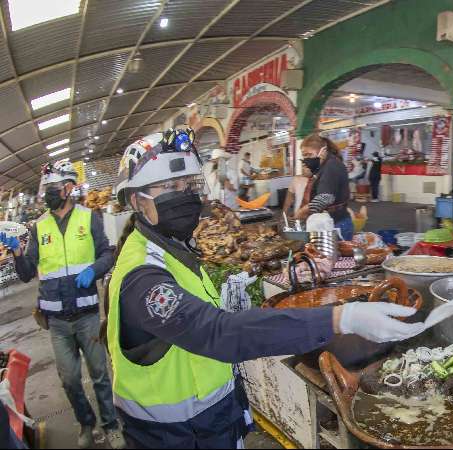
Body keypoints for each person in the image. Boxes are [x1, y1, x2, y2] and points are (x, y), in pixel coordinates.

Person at [107, 129, 424, 448]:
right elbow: (216, 333)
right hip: (174, 436)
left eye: (190, 185)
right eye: (171, 187)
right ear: (136, 200)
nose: (186, 195)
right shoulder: (143, 276)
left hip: (210, 424)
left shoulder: (176, 249)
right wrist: (341, 319)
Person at [0, 160, 125, 449]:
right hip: (56, 320)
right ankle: (86, 424)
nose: (48, 194)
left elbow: (108, 253)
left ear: (68, 188)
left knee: (100, 374)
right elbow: (27, 272)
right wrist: (18, 251)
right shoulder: (39, 226)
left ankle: (110, 424)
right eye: (47, 189)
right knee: (69, 379)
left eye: (53, 188)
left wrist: (94, 270)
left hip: (87, 316)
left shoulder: (89, 217)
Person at [294, 134, 354, 240]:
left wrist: (302, 211)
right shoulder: (326, 165)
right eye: (304, 156)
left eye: (309, 155)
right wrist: (312, 174)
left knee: (333, 256)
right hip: (333, 221)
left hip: (336, 224)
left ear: (323, 151)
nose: (306, 159)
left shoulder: (331, 166)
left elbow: (325, 198)